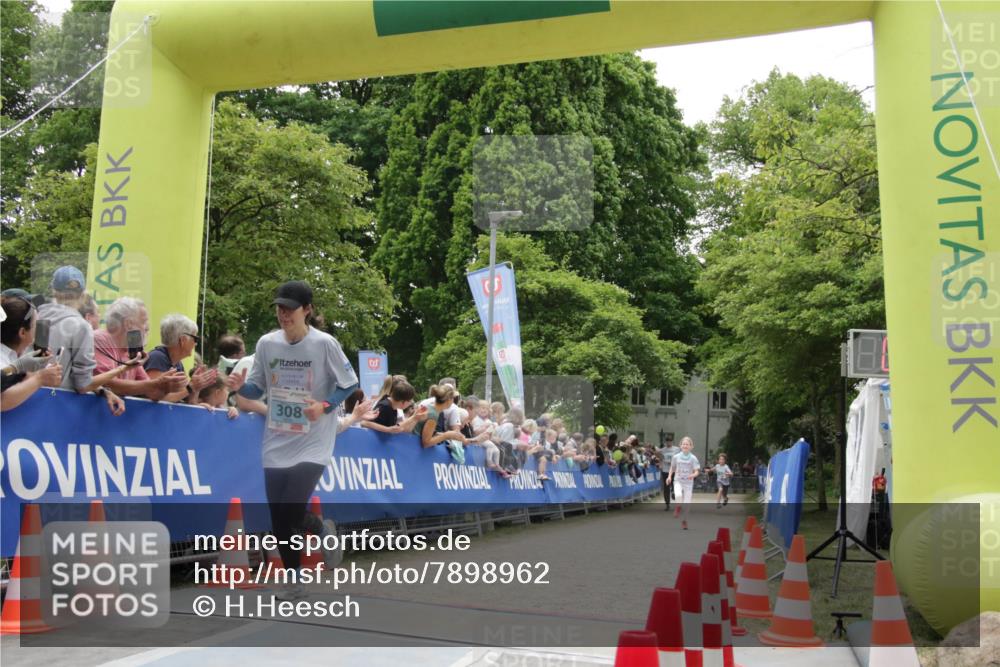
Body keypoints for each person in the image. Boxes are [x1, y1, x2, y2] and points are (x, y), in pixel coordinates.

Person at [227, 280, 359, 599]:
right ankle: (299, 571)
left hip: (315, 438)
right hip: (278, 437)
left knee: (290, 506)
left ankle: (313, 539)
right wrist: (236, 386)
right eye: (279, 308)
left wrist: (324, 406)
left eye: (290, 309)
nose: (283, 315)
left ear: (307, 310)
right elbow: (255, 389)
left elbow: (349, 384)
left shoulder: (324, 343)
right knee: (280, 516)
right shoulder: (266, 344)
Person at [36, 266, 129, 413]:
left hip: (20, 401)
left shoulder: (34, 315)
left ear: (53, 291)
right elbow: (83, 384)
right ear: (83, 295)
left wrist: (103, 391)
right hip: (52, 410)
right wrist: (123, 368)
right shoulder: (81, 326)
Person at [93, 297, 189, 401]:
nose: (145, 328)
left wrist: (166, 387)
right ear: (128, 323)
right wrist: (157, 383)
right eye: (144, 322)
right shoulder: (100, 339)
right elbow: (108, 383)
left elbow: (152, 393)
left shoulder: (132, 350)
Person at [1, 295, 64, 411]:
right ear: (23, 332)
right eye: (35, 325)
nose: (38, 329)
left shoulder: (13, 355)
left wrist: (35, 372)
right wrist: (40, 378)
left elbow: (8, 377)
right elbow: (2, 401)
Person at [144, 313, 217, 403]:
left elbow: (189, 402)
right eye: (195, 338)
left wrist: (197, 387)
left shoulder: (177, 364)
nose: (196, 343)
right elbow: (156, 397)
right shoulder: (157, 358)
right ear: (182, 340)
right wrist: (191, 388)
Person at [666, 436, 700, 530]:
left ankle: (684, 521)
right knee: (678, 495)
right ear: (680, 446)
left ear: (691, 446)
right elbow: (672, 468)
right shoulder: (676, 457)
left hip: (688, 483)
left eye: (687, 444)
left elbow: (697, 471)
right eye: (683, 444)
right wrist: (669, 477)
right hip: (678, 480)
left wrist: (692, 475)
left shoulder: (693, 458)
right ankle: (678, 507)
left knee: (687, 504)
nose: (685, 445)